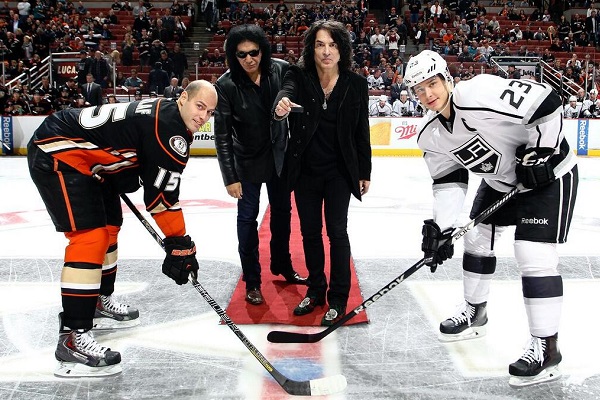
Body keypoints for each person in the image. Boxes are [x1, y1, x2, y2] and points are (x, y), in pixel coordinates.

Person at [403, 50, 578, 387]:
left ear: (447, 79)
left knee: (533, 255)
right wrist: (444, 229)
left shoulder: (478, 92)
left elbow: (546, 101)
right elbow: (448, 181)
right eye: (419, 89)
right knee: (476, 238)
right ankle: (475, 311)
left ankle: (547, 347)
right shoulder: (429, 133)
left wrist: (540, 151)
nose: (428, 94)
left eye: (433, 83)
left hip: (550, 174)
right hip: (501, 182)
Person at [27, 80, 218, 378]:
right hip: (59, 152)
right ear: (183, 98)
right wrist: (180, 243)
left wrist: (122, 166)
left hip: (87, 157)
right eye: (200, 106)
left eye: (210, 112)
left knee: (110, 227)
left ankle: (99, 301)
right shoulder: (170, 130)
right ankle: (73, 337)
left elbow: (133, 146)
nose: (203, 117)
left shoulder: (167, 115)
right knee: (90, 238)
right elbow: (160, 200)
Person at [273, 20, 372, 326]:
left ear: (342, 49)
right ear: (311, 49)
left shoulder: (356, 85)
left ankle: (339, 297)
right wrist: (281, 104)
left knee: (337, 232)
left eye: (332, 44)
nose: (326, 51)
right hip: (305, 171)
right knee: (310, 233)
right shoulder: (298, 76)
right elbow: (285, 93)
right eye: (319, 45)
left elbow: (361, 132)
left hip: (340, 172)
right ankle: (316, 289)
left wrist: (364, 170)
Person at [214, 24, 307, 307]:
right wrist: (230, 177)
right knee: (247, 220)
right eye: (241, 55)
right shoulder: (225, 85)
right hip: (246, 163)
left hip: (280, 158)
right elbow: (222, 135)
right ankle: (252, 280)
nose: (249, 59)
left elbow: (302, 102)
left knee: (282, 215)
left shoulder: (280, 70)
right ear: (234, 56)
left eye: (253, 52)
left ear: (262, 51)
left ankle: (282, 265)